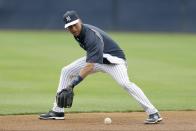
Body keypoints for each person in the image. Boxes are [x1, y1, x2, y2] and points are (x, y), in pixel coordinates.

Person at [39, 10, 162, 124]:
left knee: (125, 83)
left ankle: (153, 113)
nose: (73, 28)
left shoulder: (91, 37)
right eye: (70, 27)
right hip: (97, 58)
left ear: (80, 21)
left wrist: (72, 85)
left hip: (114, 61)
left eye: (75, 24)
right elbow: (92, 60)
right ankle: (58, 111)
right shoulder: (78, 33)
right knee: (66, 71)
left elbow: (89, 66)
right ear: (67, 28)